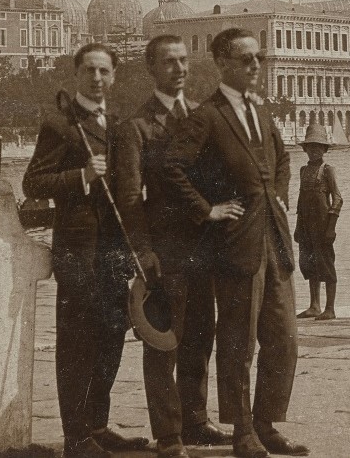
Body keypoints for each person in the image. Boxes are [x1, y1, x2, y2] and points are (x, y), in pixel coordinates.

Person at [163, 28, 308, 458]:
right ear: (224, 64)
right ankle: (243, 430)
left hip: (274, 240)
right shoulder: (206, 116)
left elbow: (282, 159)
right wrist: (208, 210)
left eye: (257, 58)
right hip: (234, 244)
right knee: (238, 342)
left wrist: (279, 196)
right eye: (246, 60)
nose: (255, 66)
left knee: (284, 338)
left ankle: (266, 424)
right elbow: (172, 168)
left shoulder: (260, 112)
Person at [22, 43, 154, 458]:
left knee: (112, 337)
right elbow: (34, 183)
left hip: (114, 248)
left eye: (104, 72)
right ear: (77, 75)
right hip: (78, 250)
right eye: (89, 71)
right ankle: (75, 436)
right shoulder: (60, 125)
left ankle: (98, 425)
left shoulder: (118, 125)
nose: (97, 79)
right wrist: (80, 175)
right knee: (78, 343)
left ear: (114, 77)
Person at [116, 35, 231, 458]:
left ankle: (196, 422)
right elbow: (129, 198)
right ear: (151, 68)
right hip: (164, 252)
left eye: (184, 61)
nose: (180, 69)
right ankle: (168, 434)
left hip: (205, 248)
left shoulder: (204, 116)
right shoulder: (137, 127)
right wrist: (142, 252)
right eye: (169, 62)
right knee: (165, 341)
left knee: (202, 335)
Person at [293, 122, 342, 320]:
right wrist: (298, 227)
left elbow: (337, 199)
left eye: (318, 147)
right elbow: (299, 200)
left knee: (326, 264)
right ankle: (314, 305)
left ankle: (330, 308)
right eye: (310, 147)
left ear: (324, 149)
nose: (314, 151)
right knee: (308, 263)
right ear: (305, 149)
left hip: (323, 225)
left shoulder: (327, 170)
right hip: (306, 224)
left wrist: (331, 228)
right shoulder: (303, 170)